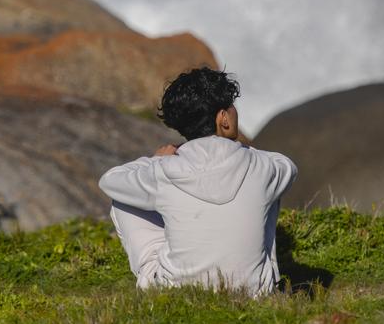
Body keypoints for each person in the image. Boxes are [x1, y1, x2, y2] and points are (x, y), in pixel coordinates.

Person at [98, 67, 297, 296]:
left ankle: (155, 283)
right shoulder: (262, 166)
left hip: (177, 292)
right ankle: (263, 283)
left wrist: (155, 160)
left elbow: (110, 181)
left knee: (123, 199)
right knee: (269, 191)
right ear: (224, 119)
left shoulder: (163, 171)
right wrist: (242, 149)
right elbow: (288, 167)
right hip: (253, 295)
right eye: (230, 107)